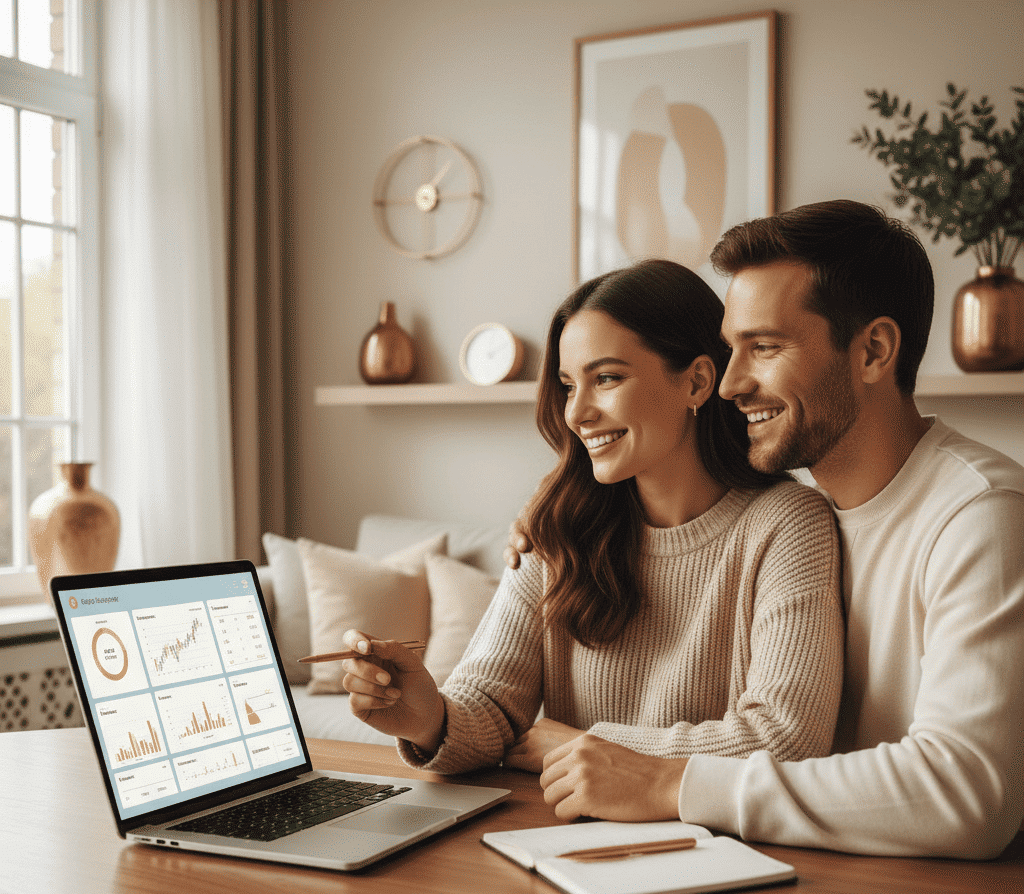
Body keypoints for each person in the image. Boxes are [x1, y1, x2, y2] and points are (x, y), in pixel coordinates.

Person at [517, 200, 1024, 859]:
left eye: (764, 347)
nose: (730, 384)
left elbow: (968, 795)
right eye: (731, 349)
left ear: (873, 351)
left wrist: (670, 780)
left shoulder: (981, 516)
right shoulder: (805, 513)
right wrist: (559, 512)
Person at [341, 259, 845, 778]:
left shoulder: (788, 525)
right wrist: (428, 718)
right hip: (564, 823)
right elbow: (491, 705)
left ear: (696, 382)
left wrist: (591, 746)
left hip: (706, 831)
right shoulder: (558, 523)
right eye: (567, 385)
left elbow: (787, 738)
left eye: (606, 378)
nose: (576, 413)